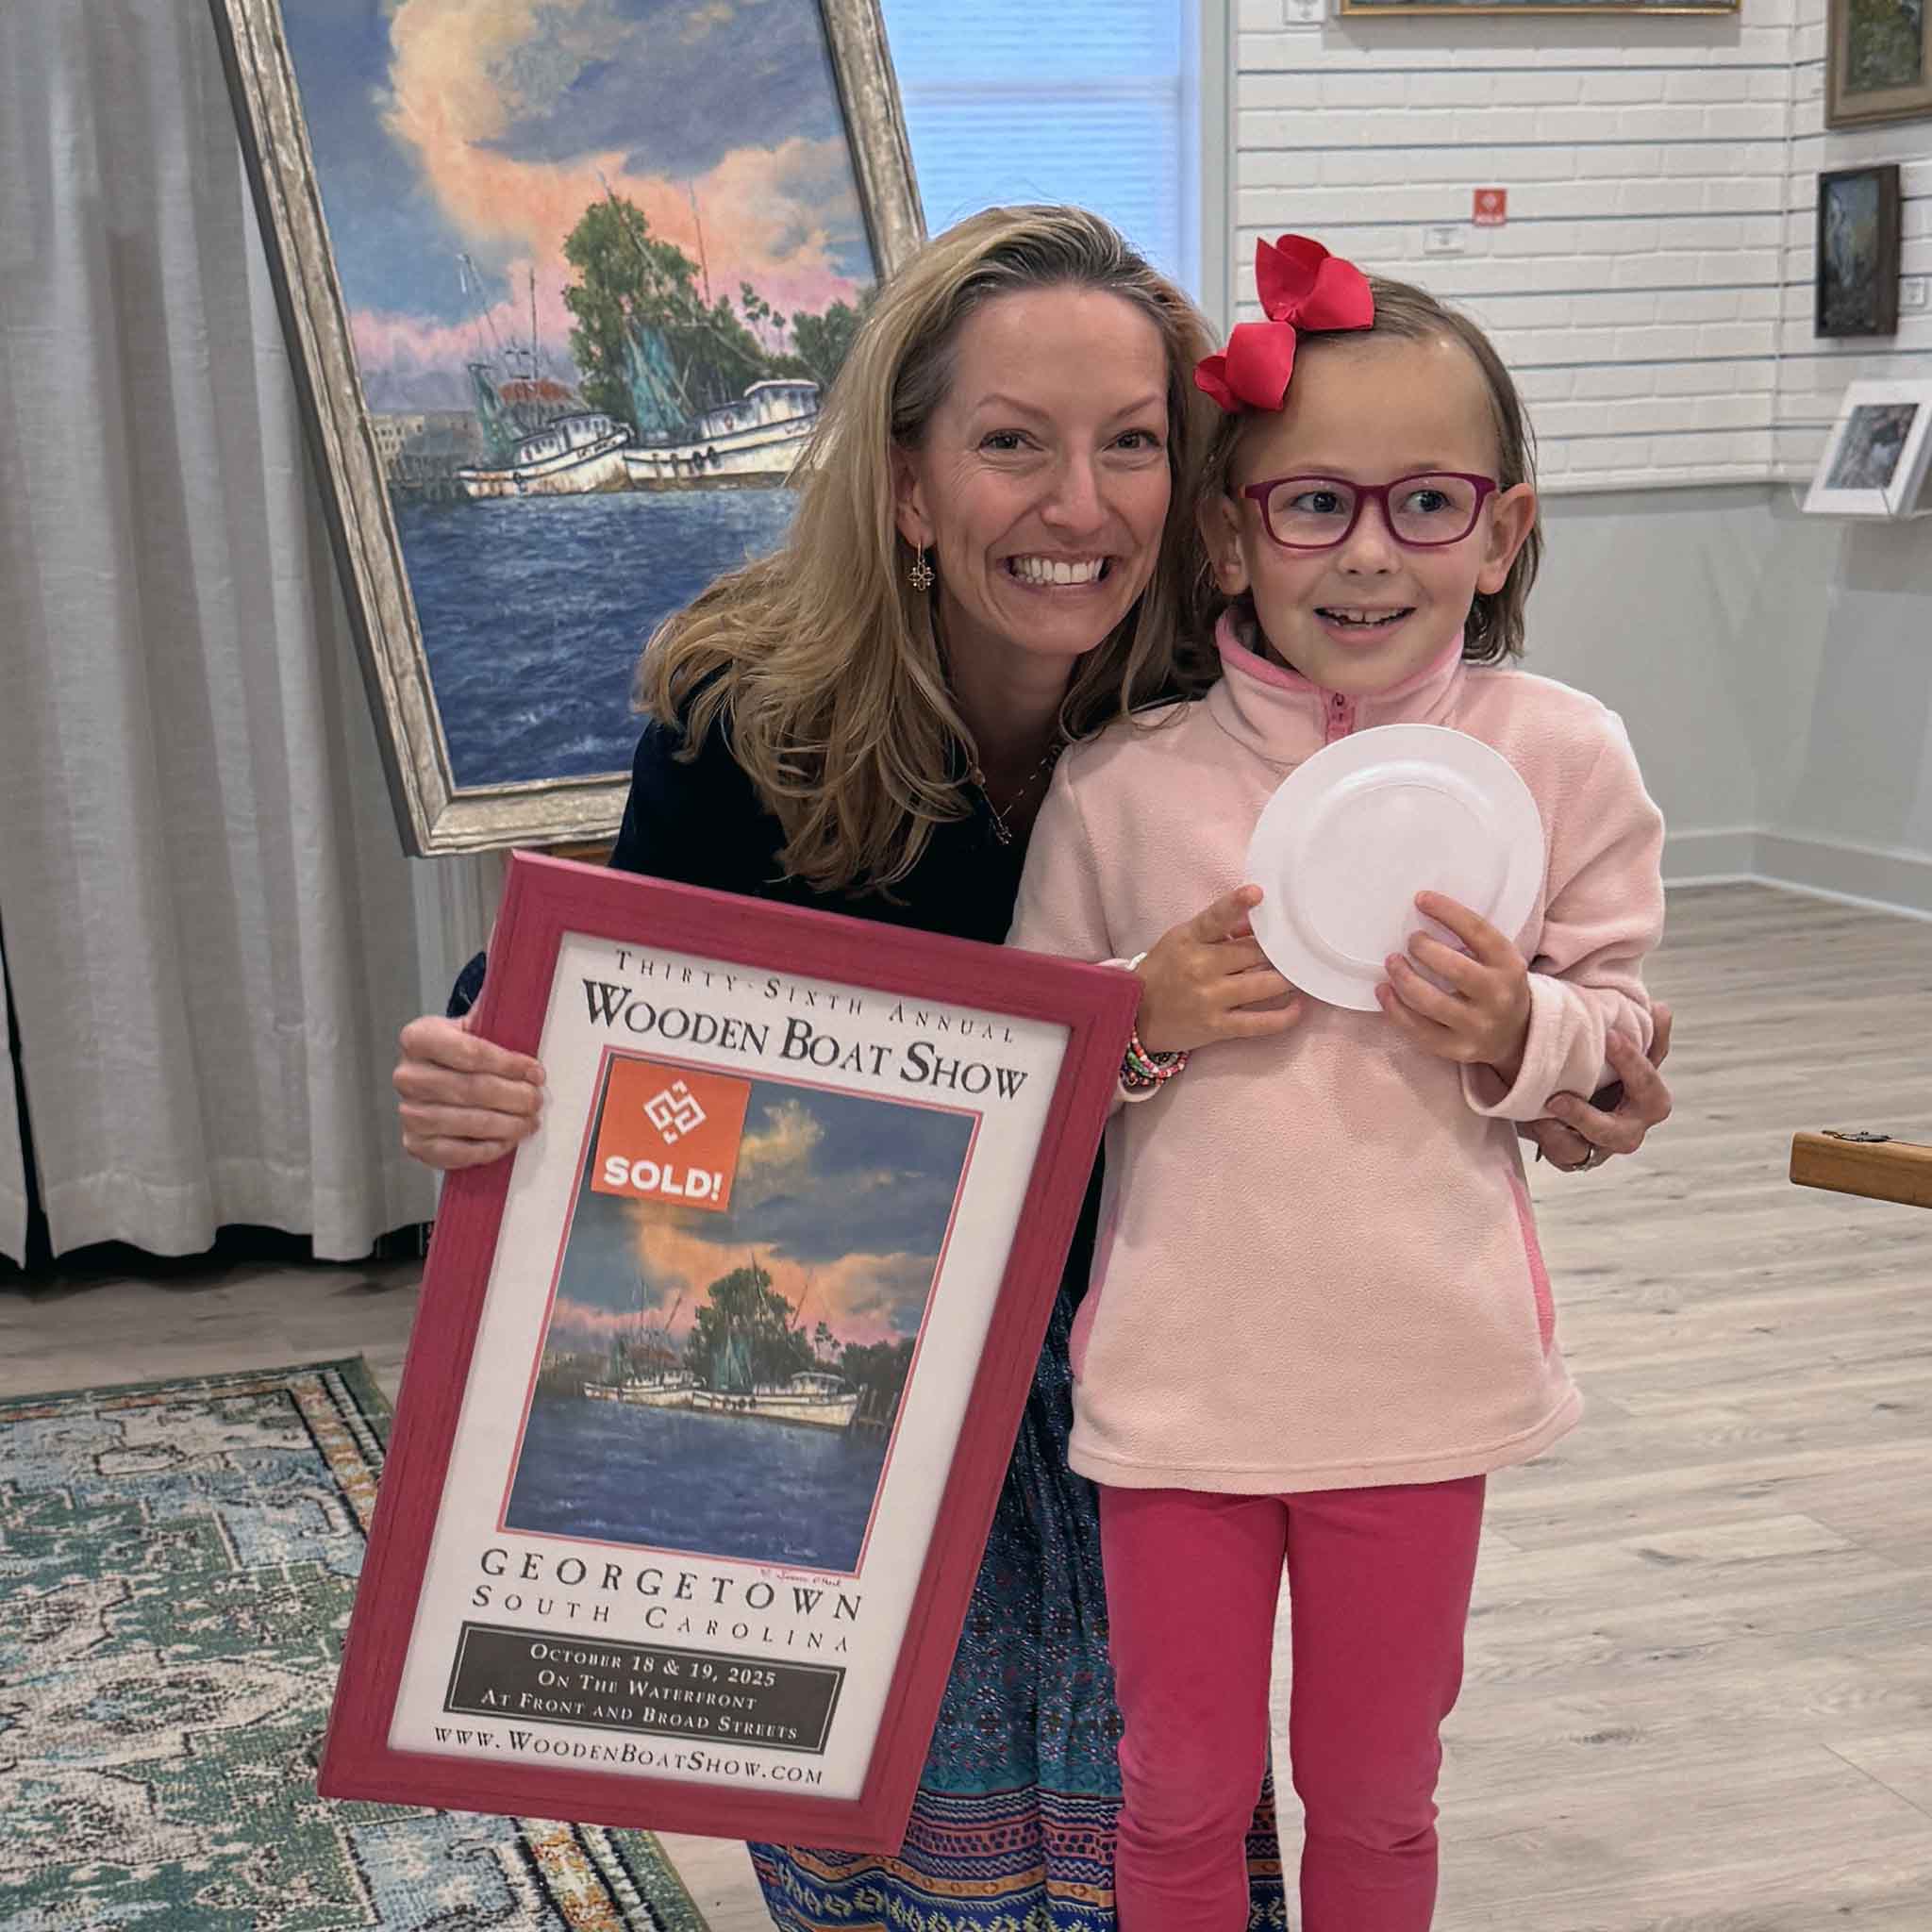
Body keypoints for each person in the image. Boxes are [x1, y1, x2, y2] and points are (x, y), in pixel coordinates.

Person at [391, 211, 1674, 1930]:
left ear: (1196, 491)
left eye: (1132, 443)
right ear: (910, 484)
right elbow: (651, 1005)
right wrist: (502, 1057)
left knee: (1192, 1814)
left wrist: (1576, 1064)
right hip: (895, 1360)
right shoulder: (752, 720)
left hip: (1156, 1357)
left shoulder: (1235, 696)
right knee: (926, 1835)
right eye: (1013, 443)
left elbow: (1564, 1038)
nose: (1083, 506)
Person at [1007, 236, 1668, 1931]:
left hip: (1417, 1379)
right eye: (1313, 505)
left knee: (1380, 1798)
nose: (1368, 552)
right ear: (1232, 529)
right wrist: (1141, 1016)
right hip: (1179, 1395)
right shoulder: (1120, 784)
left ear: (1502, 527)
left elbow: (1624, 1025)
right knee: (1174, 1797)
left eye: (1427, 503)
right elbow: (1023, 1079)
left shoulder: (1561, 755)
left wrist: (1524, 1031)